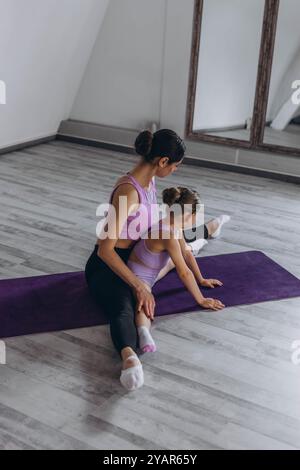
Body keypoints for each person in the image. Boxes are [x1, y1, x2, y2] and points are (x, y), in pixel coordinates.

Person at [84, 129, 230, 391]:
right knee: (125, 308)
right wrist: (139, 285)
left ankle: (208, 228)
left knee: (179, 242)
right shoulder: (128, 192)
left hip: (138, 253)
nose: (175, 171)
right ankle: (129, 358)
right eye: (175, 166)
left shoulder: (150, 182)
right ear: (162, 161)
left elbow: (158, 227)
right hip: (109, 265)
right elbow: (106, 250)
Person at [126, 186, 225, 366]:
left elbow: (186, 255)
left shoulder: (172, 224)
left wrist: (201, 279)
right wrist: (201, 299)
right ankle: (143, 332)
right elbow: (183, 271)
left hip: (155, 267)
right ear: (189, 215)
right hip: (139, 275)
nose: (196, 220)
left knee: (186, 251)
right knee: (145, 301)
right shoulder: (168, 234)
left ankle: (202, 240)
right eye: (196, 216)